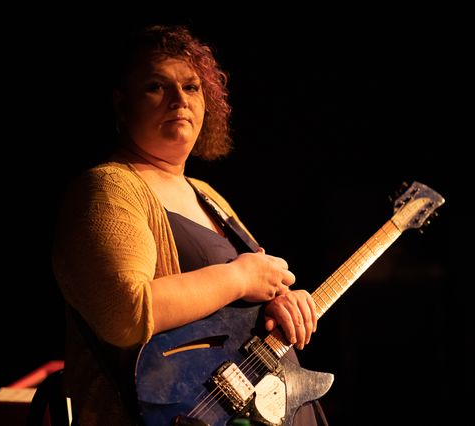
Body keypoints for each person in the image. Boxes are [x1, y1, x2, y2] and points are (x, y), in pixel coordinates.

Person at [52, 24, 329, 425]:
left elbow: (253, 287)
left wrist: (280, 302)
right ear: (122, 103)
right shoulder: (109, 186)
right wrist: (238, 277)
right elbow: (126, 313)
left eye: (192, 88)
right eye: (156, 86)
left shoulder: (207, 194)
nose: (179, 99)